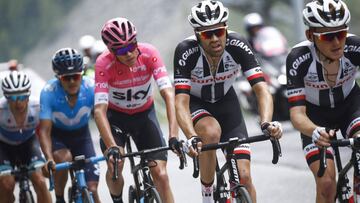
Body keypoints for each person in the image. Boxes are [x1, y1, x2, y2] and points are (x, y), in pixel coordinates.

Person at [174, 1, 283, 203]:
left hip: (227, 102)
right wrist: (191, 136)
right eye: (208, 34)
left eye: (219, 31)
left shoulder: (237, 44)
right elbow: (180, 102)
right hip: (198, 103)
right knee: (210, 132)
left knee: (244, 177)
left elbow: (261, 89)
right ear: (198, 34)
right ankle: (207, 193)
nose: (215, 39)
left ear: (226, 29)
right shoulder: (186, 51)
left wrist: (267, 122)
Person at [94, 17, 179, 203]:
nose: (130, 53)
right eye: (122, 50)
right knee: (115, 165)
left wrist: (174, 135)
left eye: (132, 45)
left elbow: (168, 94)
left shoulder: (149, 53)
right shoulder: (103, 63)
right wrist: (112, 147)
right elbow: (99, 110)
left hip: (144, 115)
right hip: (116, 119)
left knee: (161, 176)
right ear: (111, 50)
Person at [286, 0, 360, 202]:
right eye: (328, 36)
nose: (336, 42)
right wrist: (314, 131)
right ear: (310, 36)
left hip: (350, 107)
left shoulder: (355, 47)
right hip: (315, 117)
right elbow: (297, 114)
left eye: (341, 34)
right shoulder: (298, 58)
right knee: (327, 185)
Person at [38, 48, 101, 203]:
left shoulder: (91, 88)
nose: (72, 81)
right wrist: (49, 158)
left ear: (82, 74)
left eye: (76, 76)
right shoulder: (48, 92)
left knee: (92, 189)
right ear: (59, 78)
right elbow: (44, 131)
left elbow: (102, 118)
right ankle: (59, 198)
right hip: (58, 136)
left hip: (82, 136)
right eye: (67, 78)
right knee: (64, 158)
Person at [0, 71, 52, 203]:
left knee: (40, 180)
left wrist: (48, 158)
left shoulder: (37, 106)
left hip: (29, 143)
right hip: (4, 147)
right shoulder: (1, 110)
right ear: (6, 97)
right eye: (13, 98)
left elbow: (45, 134)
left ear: (28, 95)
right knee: (7, 184)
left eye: (22, 96)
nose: (18, 103)